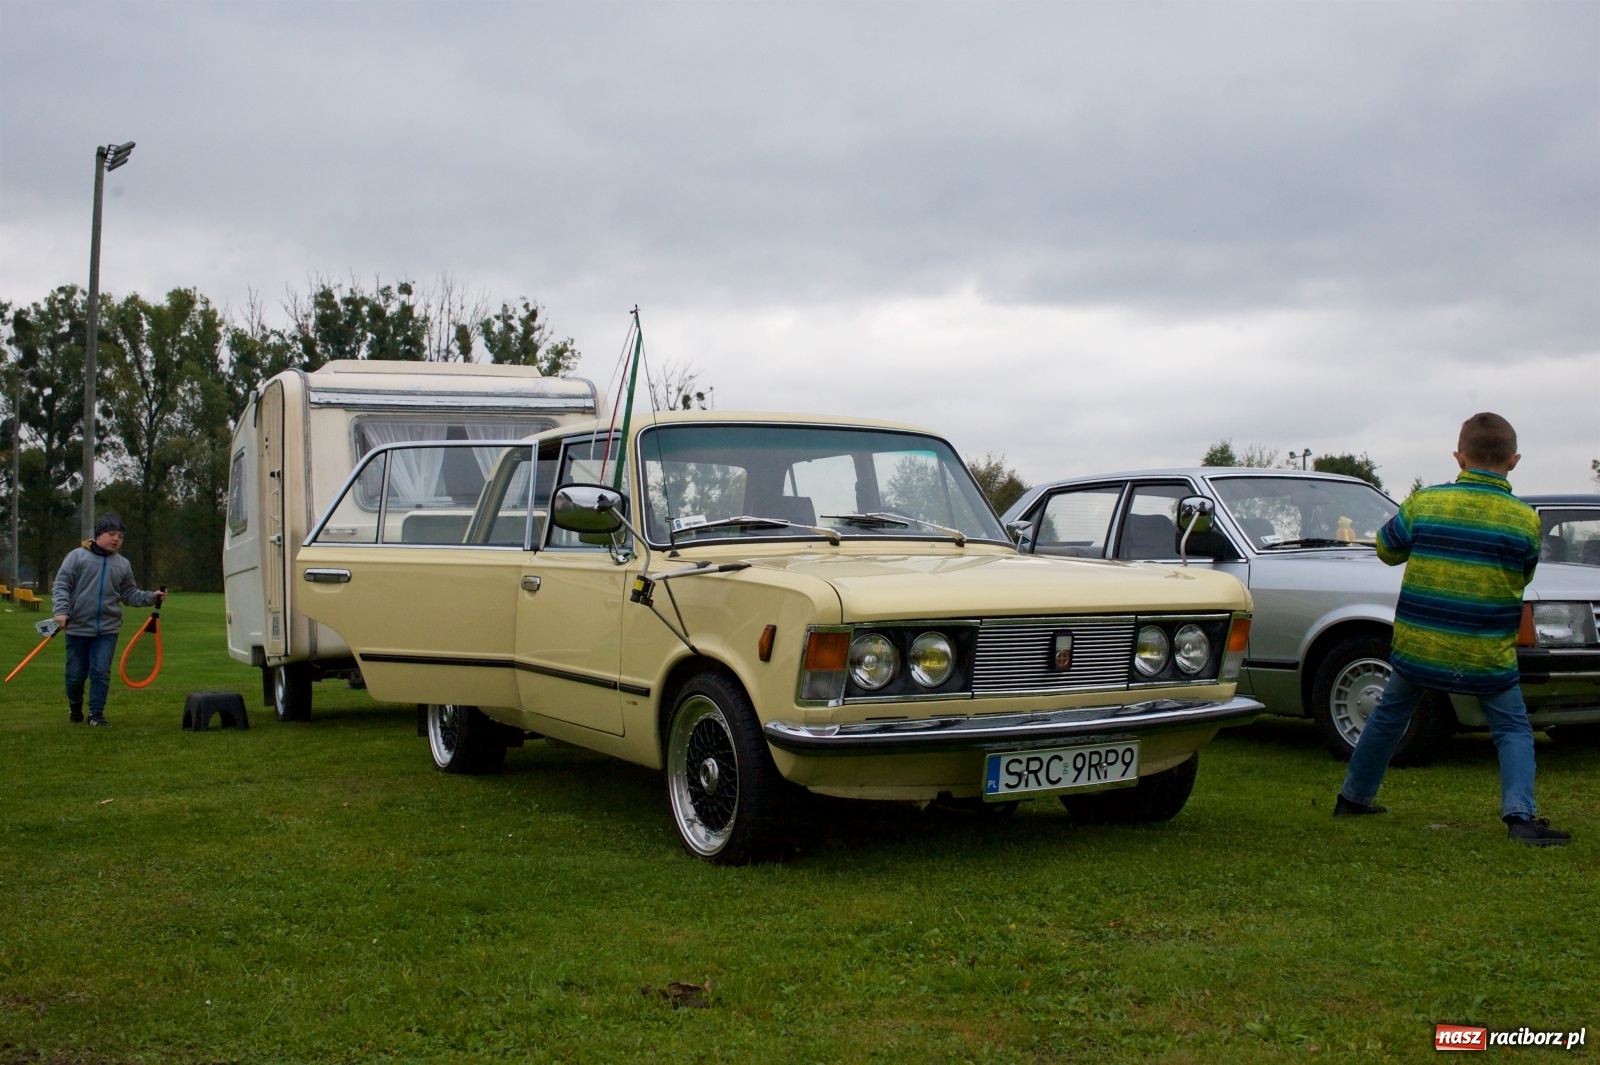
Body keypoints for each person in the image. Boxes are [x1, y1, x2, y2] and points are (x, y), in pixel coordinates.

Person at [1335, 413, 1570, 846]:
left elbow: (1387, 550)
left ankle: (1353, 797)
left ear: (1459, 457)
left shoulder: (1426, 502)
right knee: (1513, 729)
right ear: (1514, 461)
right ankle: (1519, 817)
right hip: (1486, 655)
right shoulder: (1523, 519)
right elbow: (1524, 576)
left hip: (1419, 647)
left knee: (1388, 717)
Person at [50, 513, 165, 727]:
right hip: (77, 629)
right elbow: (61, 585)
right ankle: (75, 706)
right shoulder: (76, 557)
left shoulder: (123, 564)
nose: (116, 539)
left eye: (120, 536)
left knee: (100, 671)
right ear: (99, 535)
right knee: (75, 675)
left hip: (107, 630)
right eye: (112, 534)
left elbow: (128, 593)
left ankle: (96, 714)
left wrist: (151, 596)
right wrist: (61, 611)